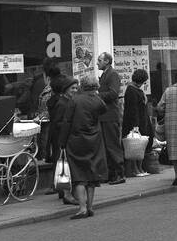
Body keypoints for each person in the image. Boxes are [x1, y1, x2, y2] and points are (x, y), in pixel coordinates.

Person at [53, 73, 106, 219]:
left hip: (76, 141)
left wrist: (62, 143)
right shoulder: (98, 100)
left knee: (79, 175)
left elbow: (67, 122)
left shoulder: (74, 100)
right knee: (91, 175)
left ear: (82, 85)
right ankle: (90, 207)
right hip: (94, 140)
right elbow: (103, 110)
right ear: (95, 86)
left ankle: (82, 208)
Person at [47, 76, 81, 206]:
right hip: (63, 140)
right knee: (66, 167)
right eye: (72, 88)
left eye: (76, 88)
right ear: (66, 89)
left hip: (67, 139)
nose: (75, 90)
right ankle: (67, 194)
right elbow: (57, 123)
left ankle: (65, 192)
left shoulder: (69, 101)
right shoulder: (62, 103)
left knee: (66, 167)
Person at [95, 53, 125, 185]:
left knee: (112, 145)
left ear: (107, 61)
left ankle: (119, 173)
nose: (97, 63)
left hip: (110, 115)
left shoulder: (112, 74)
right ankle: (111, 174)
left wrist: (97, 95)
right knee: (106, 146)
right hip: (104, 116)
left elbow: (113, 93)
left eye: (100, 60)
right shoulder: (105, 74)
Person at [121, 67, 152, 178]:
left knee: (140, 146)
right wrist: (135, 126)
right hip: (135, 123)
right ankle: (135, 169)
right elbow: (133, 110)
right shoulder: (131, 90)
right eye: (142, 82)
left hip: (141, 121)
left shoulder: (136, 89)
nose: (142, 84)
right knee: (135, 146)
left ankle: (140, 167)